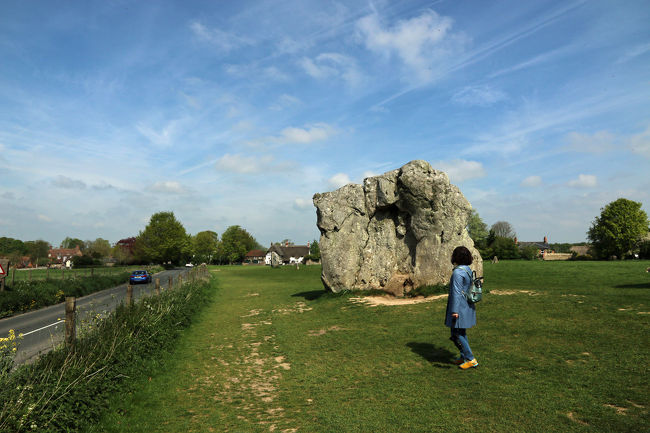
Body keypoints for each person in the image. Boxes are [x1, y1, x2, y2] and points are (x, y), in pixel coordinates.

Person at [445, 246, 478, 369]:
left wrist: (454, 311)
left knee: (456, 334)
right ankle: (463, 356)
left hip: (460, 307)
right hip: (466, 305)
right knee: (460, 332)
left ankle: (471, 359)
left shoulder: (458, 272)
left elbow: (456, 292)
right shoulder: (467, 270)